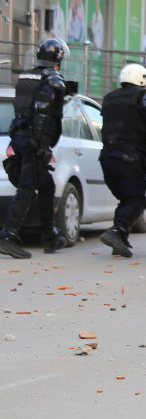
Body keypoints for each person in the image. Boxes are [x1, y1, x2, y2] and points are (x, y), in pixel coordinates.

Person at [0, 39, 73, 259]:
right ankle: (8, 236)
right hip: (34, 142)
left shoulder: (26, 76)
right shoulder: (52, 78)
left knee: (47, 186)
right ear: (57, 58)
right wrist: (41, 143)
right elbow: (42, 110)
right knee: (26, 189)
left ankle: (49, 236)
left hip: (21, 137)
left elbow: (22, 109)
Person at [99, 64, 146, 258]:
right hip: (128, 160)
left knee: (127, 199)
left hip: (107, 158)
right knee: (138, 200)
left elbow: (124, 136)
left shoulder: (109, 98)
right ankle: (117, 231)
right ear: (141, 80)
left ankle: (119, 242)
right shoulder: (143, 97)